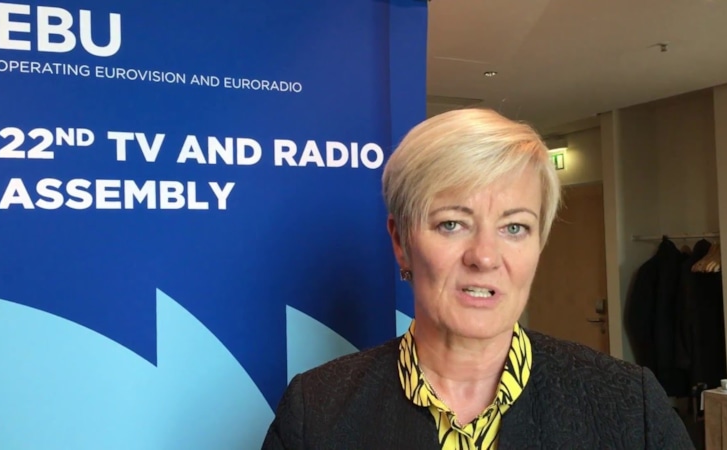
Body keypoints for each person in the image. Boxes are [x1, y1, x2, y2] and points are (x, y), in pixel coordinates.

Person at [261, 108, 694, 449]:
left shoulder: (628, 403)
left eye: (514, 227)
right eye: (452, 224)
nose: (485, 256)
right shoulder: (316, 410)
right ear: (401, 242)